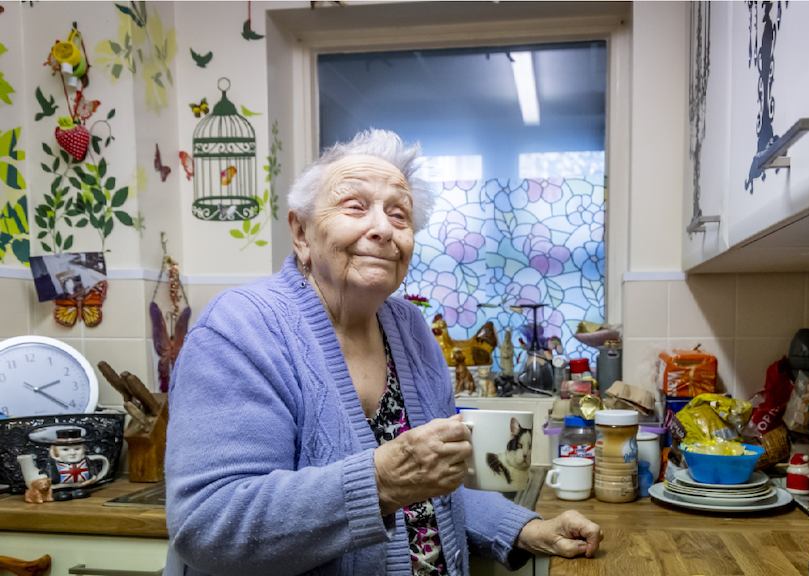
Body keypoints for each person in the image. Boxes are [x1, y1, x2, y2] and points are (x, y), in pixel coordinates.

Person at [164, 129, 603, 576]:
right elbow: (207, 523)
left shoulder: (410, 329)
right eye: (355, 206)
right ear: (301, 231)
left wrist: (524, 529)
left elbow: (435, 486)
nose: (382, 229)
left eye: (399, 215)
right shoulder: (241, 328)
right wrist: (379, 483)